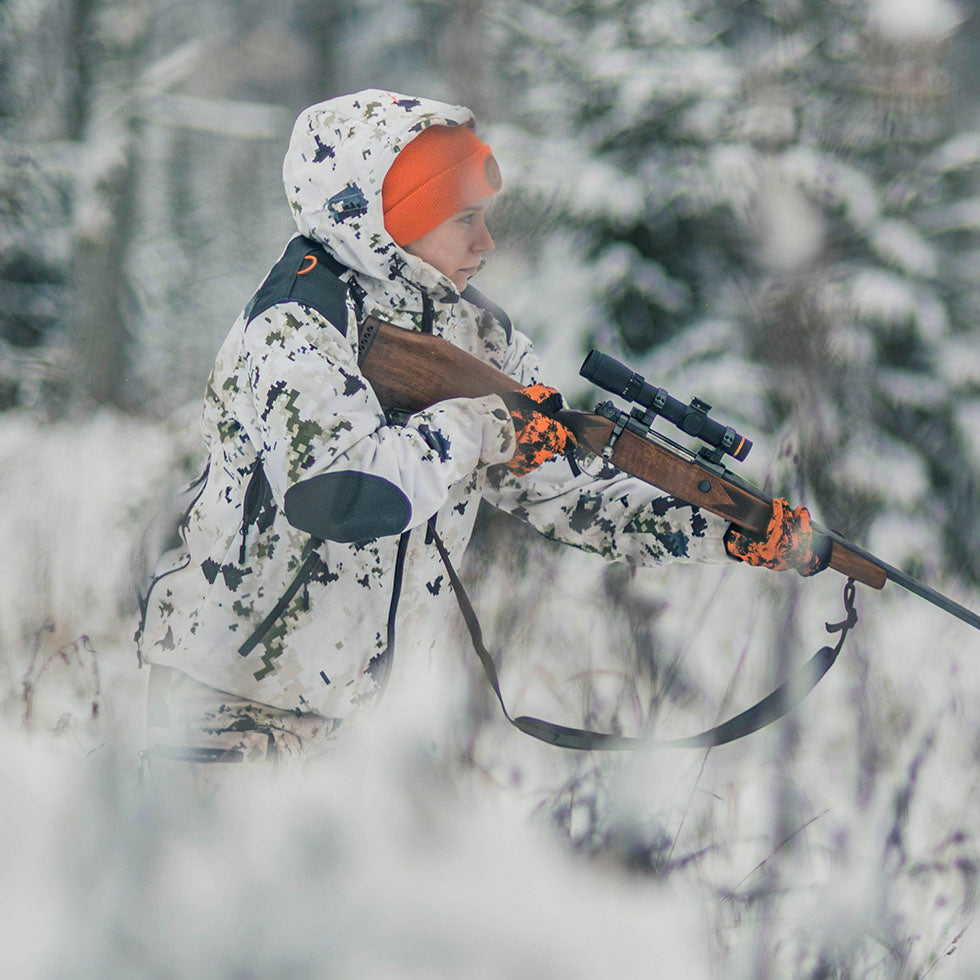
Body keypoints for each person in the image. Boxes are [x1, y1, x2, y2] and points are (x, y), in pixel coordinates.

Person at [136, 89, 829, 775]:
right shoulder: (296, 320)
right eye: (462, 217)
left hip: (373, 735)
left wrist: (726, 525)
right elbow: (340, 492)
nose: (486, 243)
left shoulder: (479, 333)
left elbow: (570, 494)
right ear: (387, 219)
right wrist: (479, 426)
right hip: (231, 711)